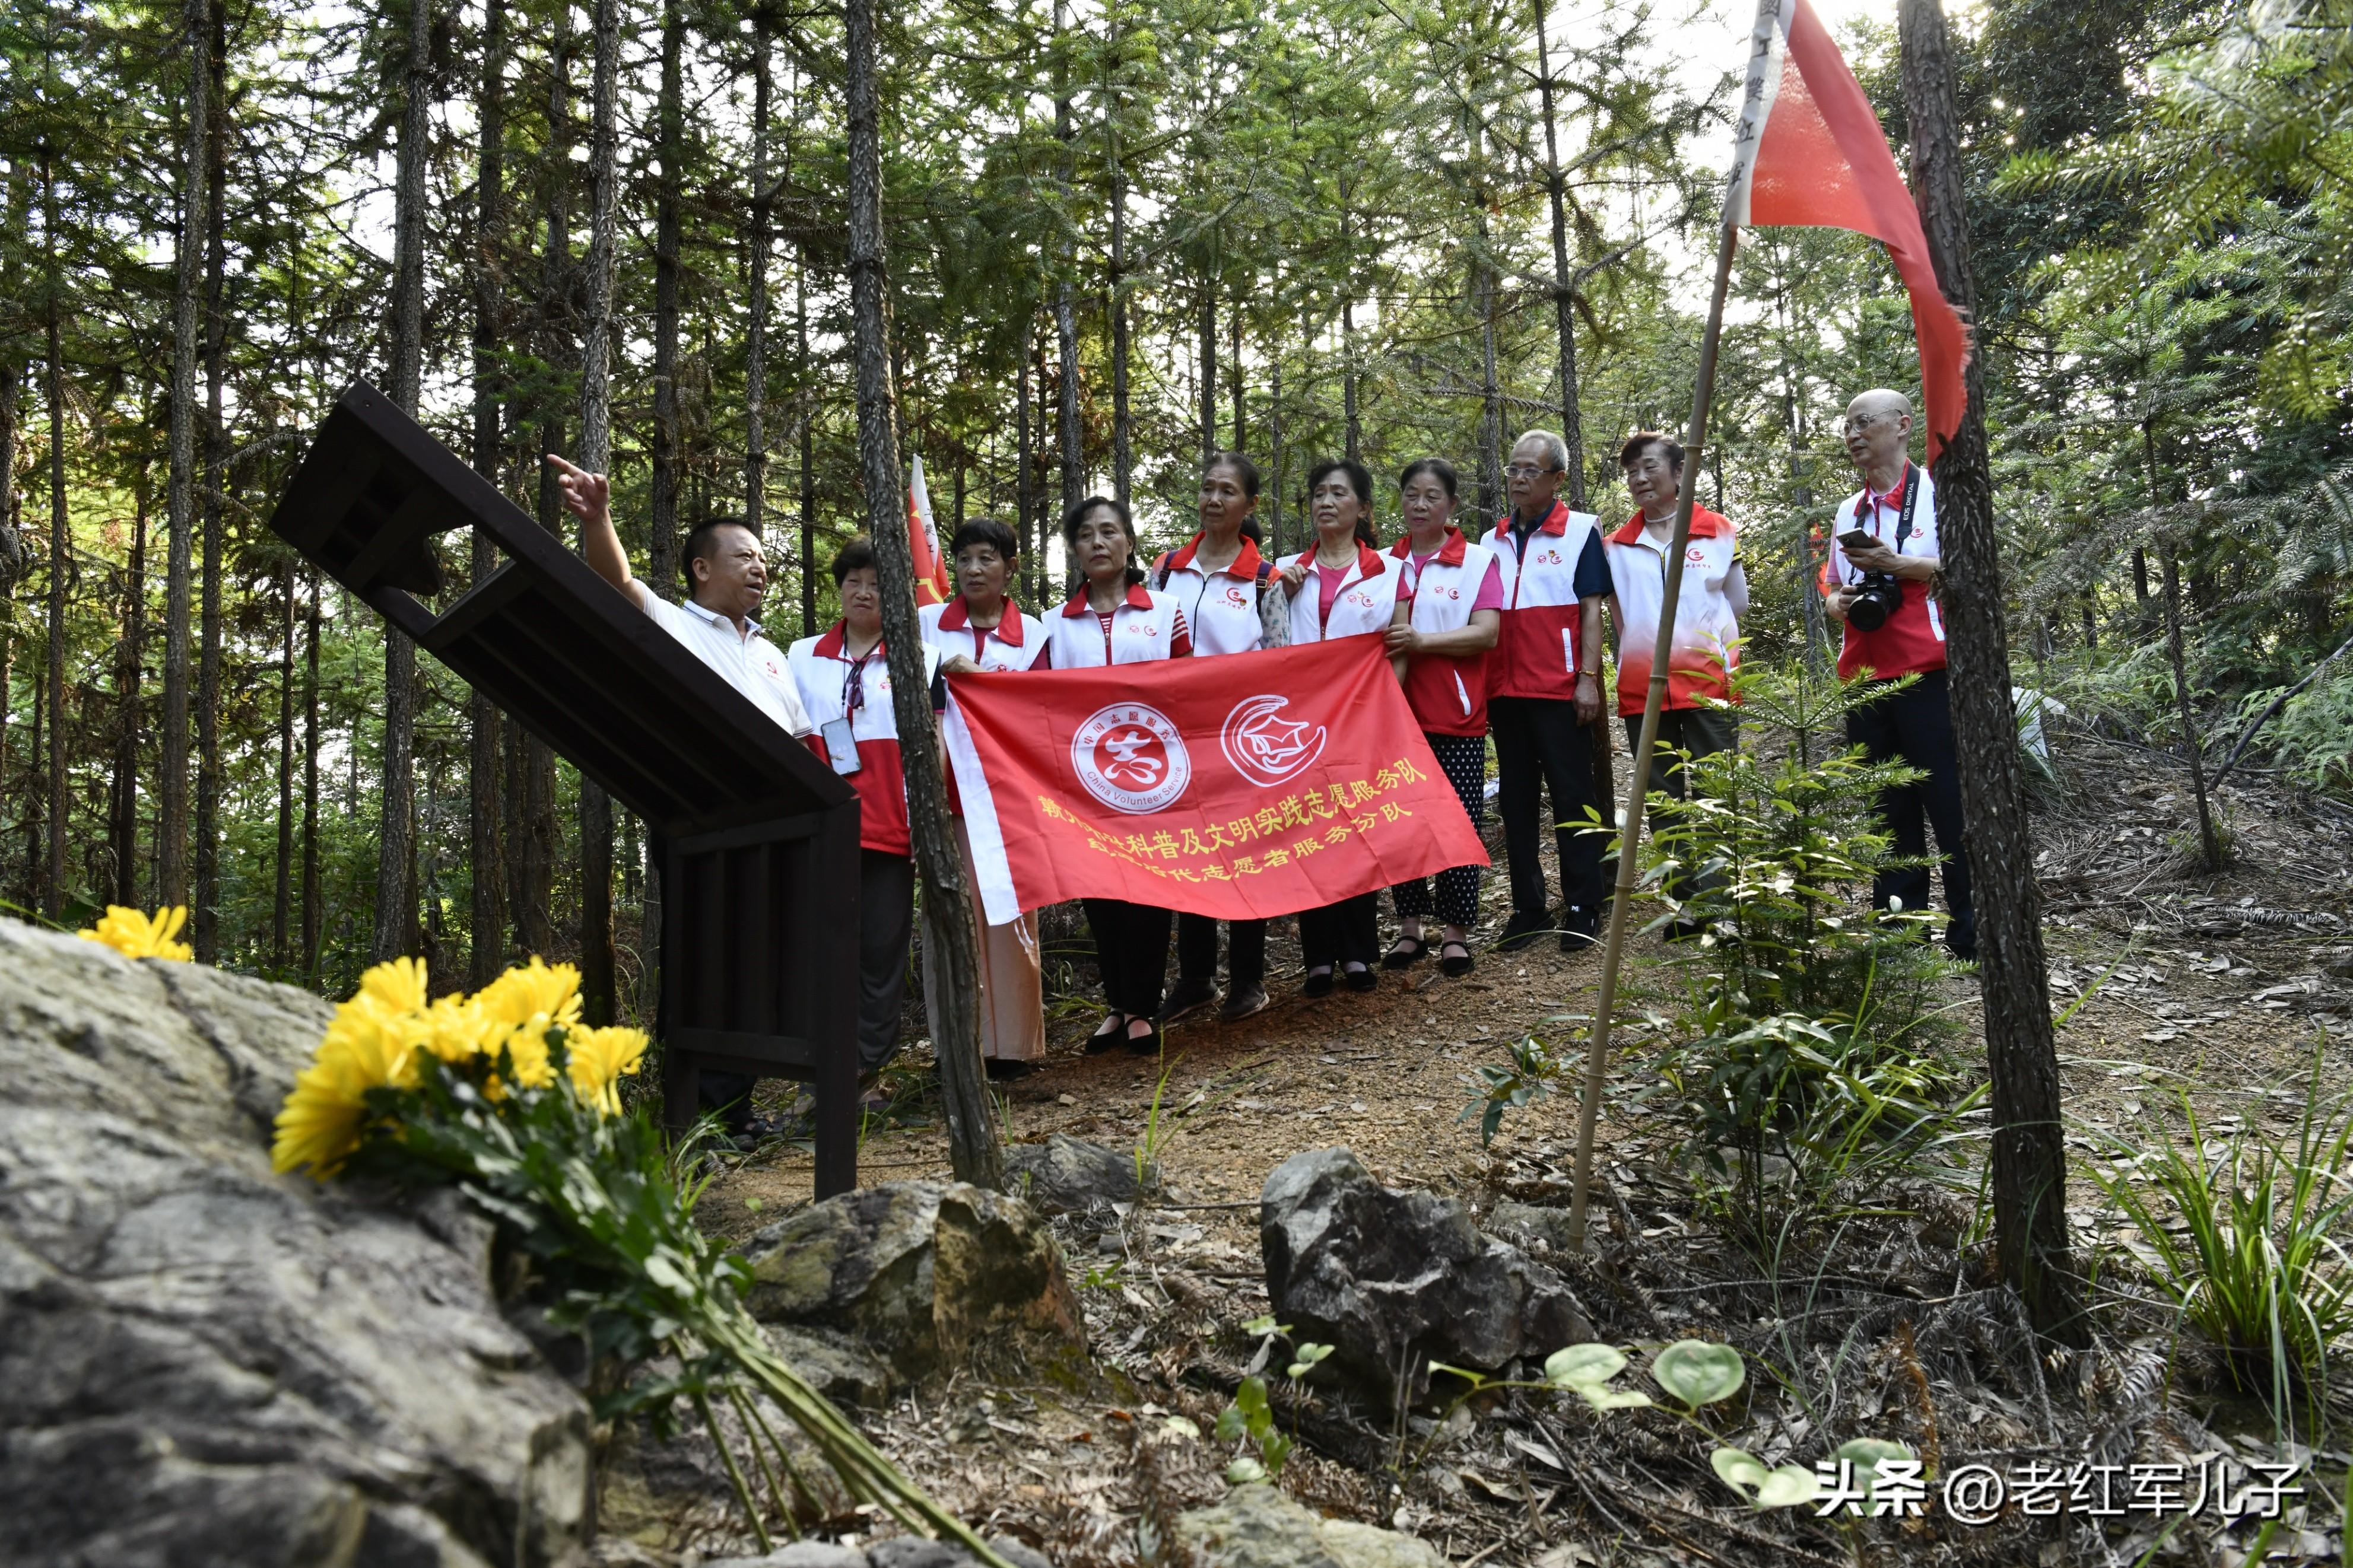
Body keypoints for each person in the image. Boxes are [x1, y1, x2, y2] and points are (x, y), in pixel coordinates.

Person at [544, 454, 812, 1140]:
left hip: (780, 824)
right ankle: (703, 1113)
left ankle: (738, 1109)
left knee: (761, 964)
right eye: (743, 556)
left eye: (762, 560)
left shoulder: (772, 651)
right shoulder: (674, 621)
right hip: (705, 816)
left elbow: (803, 738)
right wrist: (599, 518)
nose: (759, 568)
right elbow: (618, 583)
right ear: (701, 568)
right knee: (708, 961)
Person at [786, 539, 945, 1091]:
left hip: (890, 830)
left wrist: (929, 825)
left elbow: (934, 743)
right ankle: (819, 1074)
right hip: (821, 829)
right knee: (823, 953)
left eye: (877, 582)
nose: (863, 591)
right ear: (839, 587)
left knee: (880, 955)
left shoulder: (917, 655)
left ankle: (867, 1072)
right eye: (854, 580)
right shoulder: (802, 653)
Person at [1821, 389, 1973, 959]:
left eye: (1863, 423)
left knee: (1950, 805)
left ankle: (1970, 935)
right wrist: (1837, 604)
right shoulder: (1847, 511)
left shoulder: (1938, 493)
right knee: (1886, 811)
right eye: (1846, 427)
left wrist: (1899, 565)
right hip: (1864, 675)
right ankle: (1899, 935)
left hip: (1929, 672)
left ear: (1903, 425)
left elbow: (1968, 568)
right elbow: (1835, 589)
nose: (1852, 434)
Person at [1050, 495, 1193, 1054]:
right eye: (1086, 535)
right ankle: (1117, 1005)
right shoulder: (1053, 625)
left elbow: (1188, 687)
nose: (1098, 542)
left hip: (1155, 776)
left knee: (1149, 892)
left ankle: (1143, 1008)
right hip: (1084, 781)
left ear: (1130, 542)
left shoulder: (1165, 610)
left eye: (1109, 532)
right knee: (1099, 892)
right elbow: (1039, 705)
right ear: (1076, 550)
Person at [1149, 453, 1287, 1026]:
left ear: (1249, 505)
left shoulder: (1264, 579)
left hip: (1239, 740)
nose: (1213, 500)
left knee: (1244, 853)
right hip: (1175, 740)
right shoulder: (1163, 571)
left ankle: (1248, 978)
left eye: (1227, 491)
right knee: (1191, 855)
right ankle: (1197, 977)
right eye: (1207, 488)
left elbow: (1279, 661)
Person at [1275, 458, 1412, 996]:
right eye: (1317, 493)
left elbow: (1398, 647)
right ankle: (1317, 958)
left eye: (1337, 493)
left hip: (1363, 721)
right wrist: (1277, 593)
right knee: (1310, 835)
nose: (1325, 502)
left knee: (1357, 830)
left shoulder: (1389, 570)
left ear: (1362, 507)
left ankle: (1357, 953)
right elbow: (1269, 645)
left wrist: (1389, 711)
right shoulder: (1286, 569)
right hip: (1299, 726)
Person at [918, 517, 1049, 1077]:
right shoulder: (924, 624)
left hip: (1007, 794)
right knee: (948, 914)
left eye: (987, 559)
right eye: (965, 559)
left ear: (1010, 567)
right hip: (942, 788)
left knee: (1010, 911)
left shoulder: (1037, 634)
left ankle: (1014, 1046)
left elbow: (1044, 710)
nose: (974, 569)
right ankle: (955, 1046)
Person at [1603, 431, 1747, 933]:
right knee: (1663, 797)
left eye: (1648, 468)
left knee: (1715, 790)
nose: (1639, 479)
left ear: (1679, 473)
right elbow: (1620, 620)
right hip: (1644, 687)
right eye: (1631, 473)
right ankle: (1685, 905)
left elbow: (1737, 602)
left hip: (1711, 683)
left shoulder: (1718, 532)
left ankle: (1723, 905)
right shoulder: (1615, 546)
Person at [1482, 430, 1612, 951]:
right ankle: (1528, 906)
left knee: (1571, 795)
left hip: (1559, 687)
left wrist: (1587, 677)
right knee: (1515, 801)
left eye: (1530, 470)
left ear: (1557, 478)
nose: (1518, 478)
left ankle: (1584, 902)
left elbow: (1589, 609)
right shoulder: (1490, 539)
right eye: (1513, 468)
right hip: (1504, 690)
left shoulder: (1580, 531)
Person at [1380, 457, 1501, 979]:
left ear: (1451, 504)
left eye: (1432, 496)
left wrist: (1422, 642)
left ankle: (1456, 932)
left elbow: (1486, 633)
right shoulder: (1382, 563)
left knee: (1457, 823)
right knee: (1402, 824)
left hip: (1456, 715)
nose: (1420, 505)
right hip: (1392, 720)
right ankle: (1409, 927)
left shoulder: (1475, 561)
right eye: (1411, 495)